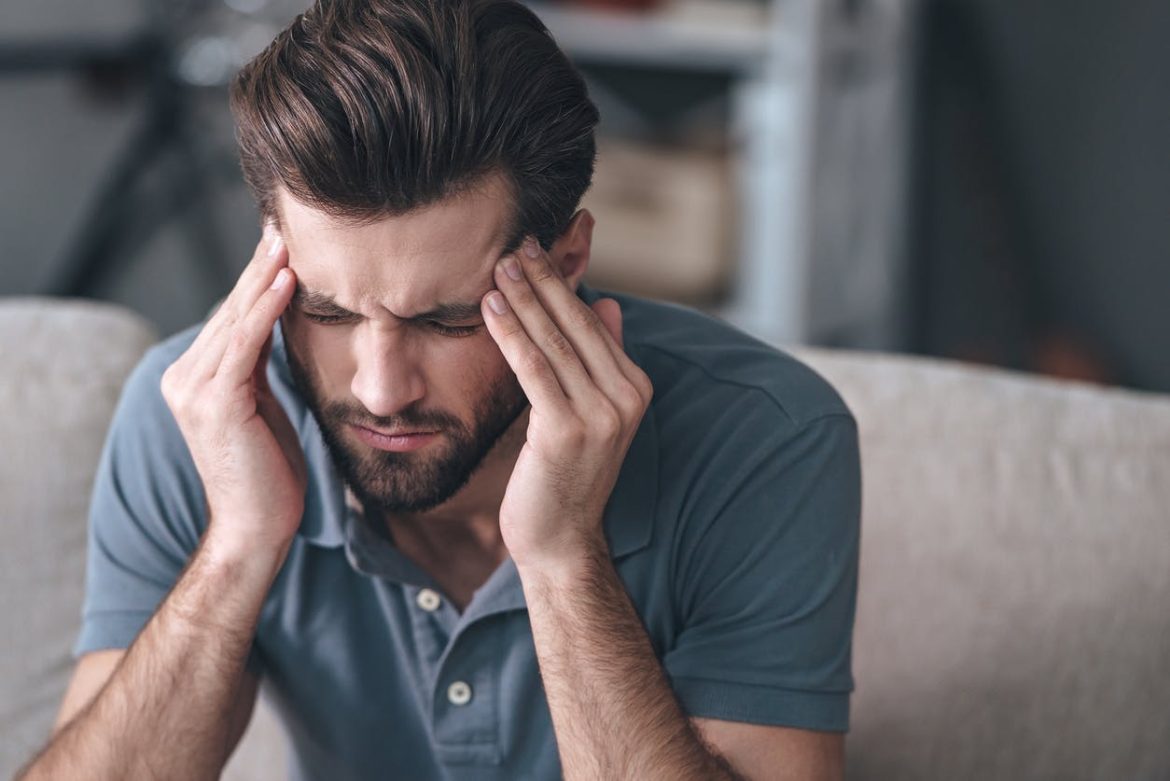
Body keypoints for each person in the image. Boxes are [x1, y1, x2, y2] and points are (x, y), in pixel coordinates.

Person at [19, 0, 860, 778]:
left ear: (565, 265)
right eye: (328, 311)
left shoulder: (767, 438)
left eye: (448, 320)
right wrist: (238, 545)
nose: (381, 390)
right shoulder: (201, 418)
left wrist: (565, 557)